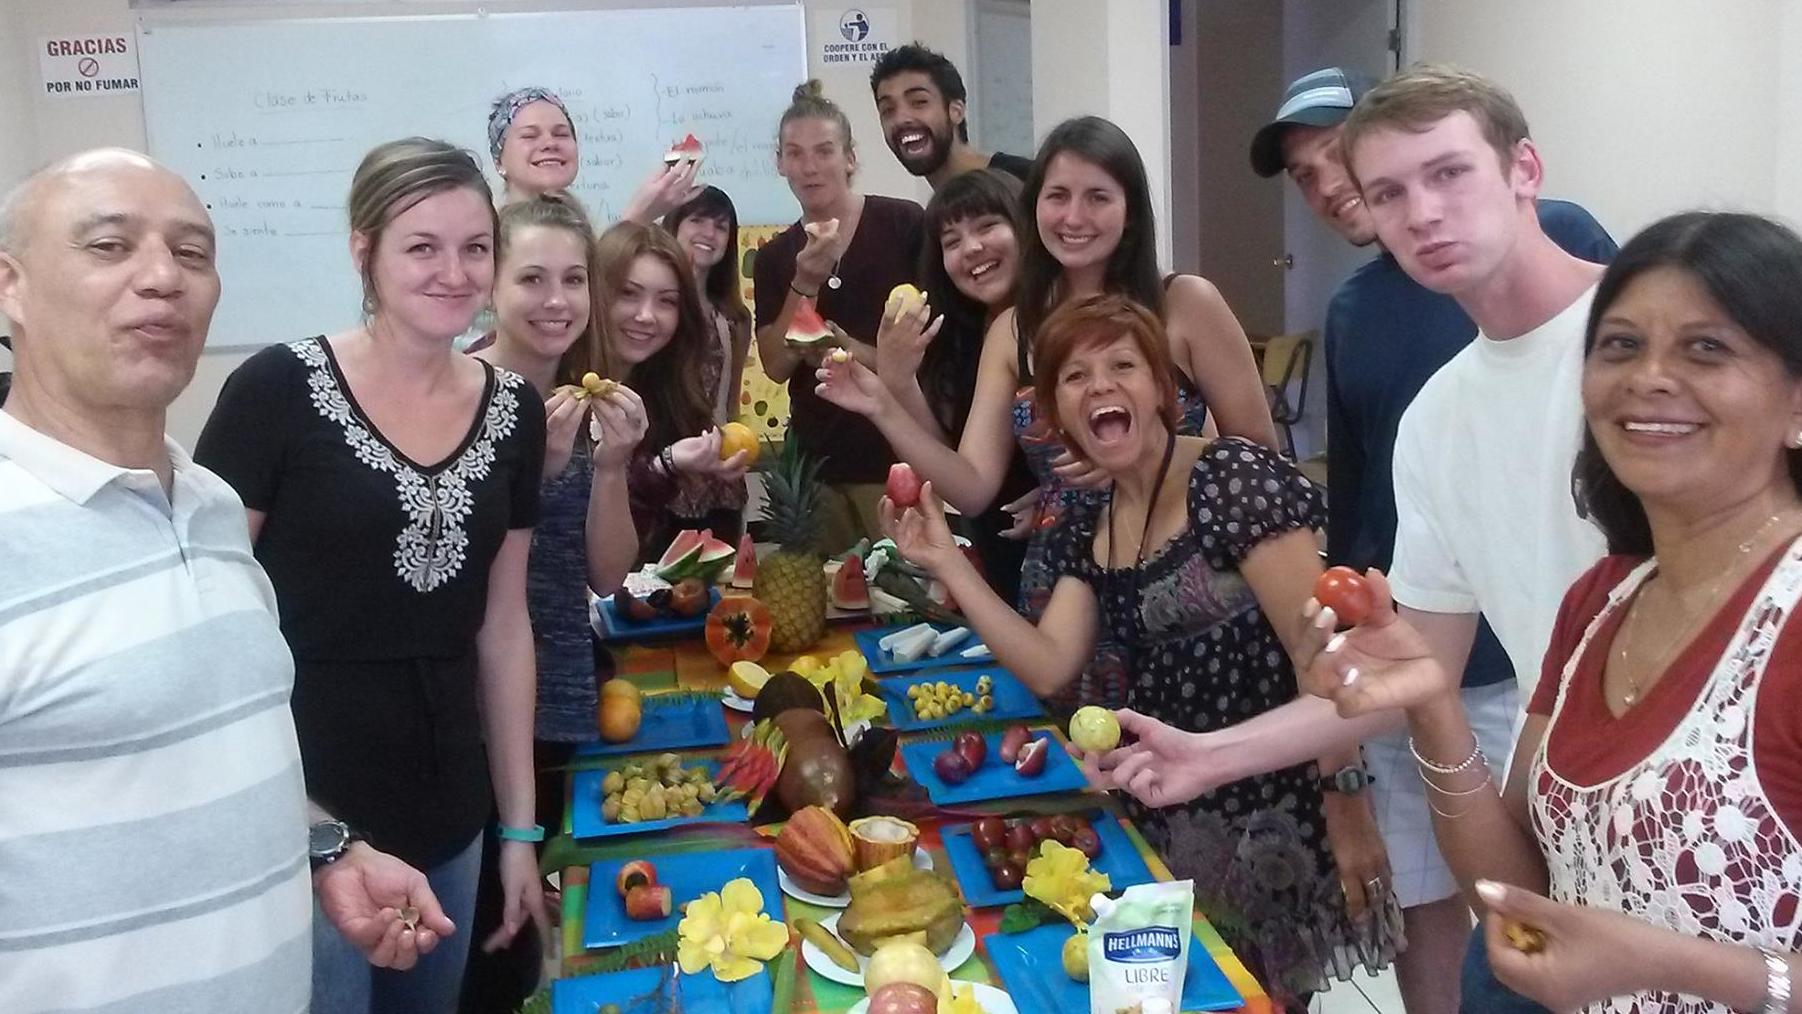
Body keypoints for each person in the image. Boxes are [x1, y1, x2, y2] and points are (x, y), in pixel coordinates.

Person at [1302, 211, 1802, 1014]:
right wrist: (1432, 703)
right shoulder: (1603, 601)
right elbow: (1520, 887)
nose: (1650, 377)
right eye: (1620, 345)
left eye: (1707, 348)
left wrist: (1674, 964)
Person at [0, 148, 452, 1012]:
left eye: (193, 253)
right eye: (109, 246)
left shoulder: (211, 508)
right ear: (9, 285)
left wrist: (326, 846)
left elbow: (215, 755)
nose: (163, 278)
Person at [856, 293, 1395, 1011]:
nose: (1100, 385)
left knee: (1263, 997)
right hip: (1175, 806)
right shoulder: (1089, 513)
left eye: (1123, 365)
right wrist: (948, 566)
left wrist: (1348, 807)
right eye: (1075, 377)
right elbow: (1051, 662)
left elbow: (1322, 662)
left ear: (1164, 391)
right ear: (1055, 410)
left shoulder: (1233, 479)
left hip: (1278, 806)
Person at [1250, 66, 1619, 1014]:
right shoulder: (1437, 412)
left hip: (1722, 802)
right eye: (1389, 192)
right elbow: (1421, 659)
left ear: (1523, 169)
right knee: (1487, 966)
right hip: (1559, 784)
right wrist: (1207, 755)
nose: (1422, 211)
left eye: (1449, 173)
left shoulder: (1643, 338)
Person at [195, 137, 550, 1013]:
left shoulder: (514, 411)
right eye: (421, 247)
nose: (454, 272)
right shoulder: (275, 391)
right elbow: (211, 619)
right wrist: (309, 826)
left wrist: (516, 829)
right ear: (366, 250)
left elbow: (503, 629)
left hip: (449, 806)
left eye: (476, 247)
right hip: (302, 812)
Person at [818, 115, 1275, 712]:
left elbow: (1259, 456)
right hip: (1063, 588)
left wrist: (1150, 457)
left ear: (1131, 209)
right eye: (1057, 197)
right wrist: (882, 403)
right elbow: (975, 486)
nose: (1074, 217)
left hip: (1188, 579)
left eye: (1098, 197)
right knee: (1085, 776)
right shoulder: (1016, 329)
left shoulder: (1185, 304)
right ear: (1035, 208)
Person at [460, 195, 649, 1012]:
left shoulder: (576, 396)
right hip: (475, 703)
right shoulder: (457, 395)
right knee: (484, 935)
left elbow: (606, 574)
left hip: (559, 686)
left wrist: (611, 468)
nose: (556, 299)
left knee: (537, 915)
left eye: (574, 279)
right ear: (490, 286)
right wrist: (534, 474)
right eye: (531, 277)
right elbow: (460, 576)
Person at [753, 79, 923, 553]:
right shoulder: (774, 258)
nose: (810, 167)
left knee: (909, 600)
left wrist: (856, 353)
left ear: (849, 158)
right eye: (795, 153)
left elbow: (933, 350)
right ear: (780, 162)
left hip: (896, 457)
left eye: (824, 151)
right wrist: (803, 282)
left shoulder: (903, 224)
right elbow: (775, 364)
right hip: (816, 467)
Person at [881, 169, 1037, 605]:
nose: (971, 248)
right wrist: (899, 382)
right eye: (952, 241)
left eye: (988, 226)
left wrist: (1063, 495)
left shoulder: (1061, 323)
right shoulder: (958, 338)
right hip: (998, 563)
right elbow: (957, 476)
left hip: (1076, 561)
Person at [601, 220, 749, 557]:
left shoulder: (665, 389)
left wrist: (672, 463)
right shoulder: (566, 386)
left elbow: (626, 526)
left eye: (666, 301)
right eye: (628, 293)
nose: (646, 316)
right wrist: (665, 464)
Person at [868, 43, 1034, 189]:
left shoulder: (1029, 183)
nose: (901, 119)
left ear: (956, 111)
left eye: (919, 102)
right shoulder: (933, 218)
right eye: (888, 110)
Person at [664, 185, 754, 430]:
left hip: (715, 454)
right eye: (697, 220)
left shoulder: (736, 319)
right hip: (655, 454)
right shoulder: (652, 309)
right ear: (674, 226)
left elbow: (731, 401)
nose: (709, 233)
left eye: (721, 227)